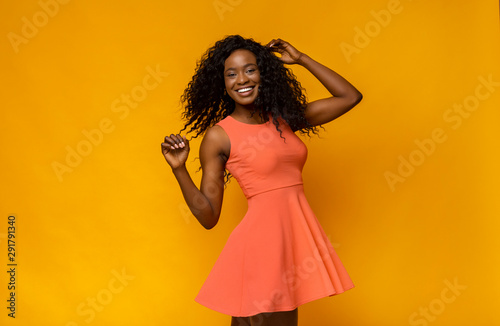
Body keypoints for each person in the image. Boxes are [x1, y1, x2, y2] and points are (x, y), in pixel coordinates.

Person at [161, 35, 362, 326]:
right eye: (231, 74)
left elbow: (349, 97)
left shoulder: (284, 119)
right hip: (260, 249)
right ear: (223, 83)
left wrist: (302, 59)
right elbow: (208, 216)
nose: (241, 79)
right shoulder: (219, 136)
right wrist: (179, 169)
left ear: (263, 74)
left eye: (250, 69)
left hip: (291, 244)